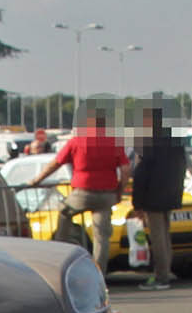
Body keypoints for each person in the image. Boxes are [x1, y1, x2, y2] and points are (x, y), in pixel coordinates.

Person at [29, 110, 128, 273]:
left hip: (83, 191)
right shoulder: (114, 142)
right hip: (107, 194)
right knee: (102, 237)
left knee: (64, 213)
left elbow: (55, 164)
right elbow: (125, 169)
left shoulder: (76, 142)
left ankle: (63, 247)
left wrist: (36, 180)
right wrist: (120, 190)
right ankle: (99, 273)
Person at [127, 108, 185, 289]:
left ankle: (161, 277)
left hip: (153, 195)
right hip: (170, 193)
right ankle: (166, 271)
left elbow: (141, 174)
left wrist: (137, 202)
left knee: (157, 237)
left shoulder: (146, 142)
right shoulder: (175, 141)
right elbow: (182, 166)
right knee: (166, 236)